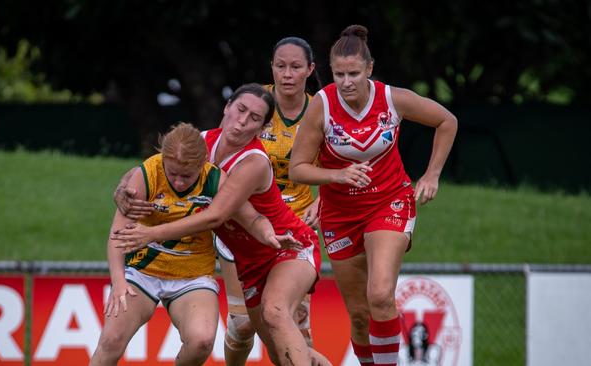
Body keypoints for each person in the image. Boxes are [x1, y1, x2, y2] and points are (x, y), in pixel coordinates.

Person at [115, 37, 330, 366]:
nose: (243, 121)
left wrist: (150, 234)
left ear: (262, 127)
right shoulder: (202, 143)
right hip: (249, 258)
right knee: (267, 341)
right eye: (240, 110)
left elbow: (215, 217)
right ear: (226, 108)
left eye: (254, 118)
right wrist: (126, 184)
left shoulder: (254, 162)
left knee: (276, 314)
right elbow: (159, 166)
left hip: (288, 244)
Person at [289, 25, 458, 366]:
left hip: (389, 201)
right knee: (361, 316)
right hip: (339, 214)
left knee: (380, 294)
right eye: (339, 74)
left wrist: (432, 174)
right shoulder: (321, 106)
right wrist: (336, 175)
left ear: (369, 69)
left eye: (353, 73)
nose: (347, 81)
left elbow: (446, 121)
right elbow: (298, 168)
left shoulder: (392, 99)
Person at [90, 122, 301, 366]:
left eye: (186, 176)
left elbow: (252, 217)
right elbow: (117, 235)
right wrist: (118, 282)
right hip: (143, 271)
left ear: (202, 163)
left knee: (201, 341)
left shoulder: (215, 179)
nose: (179, 182)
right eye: (173, 174)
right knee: (111, 340)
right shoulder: (146, 174)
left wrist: (269, 235)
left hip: (192, 274)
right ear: (163, 159)